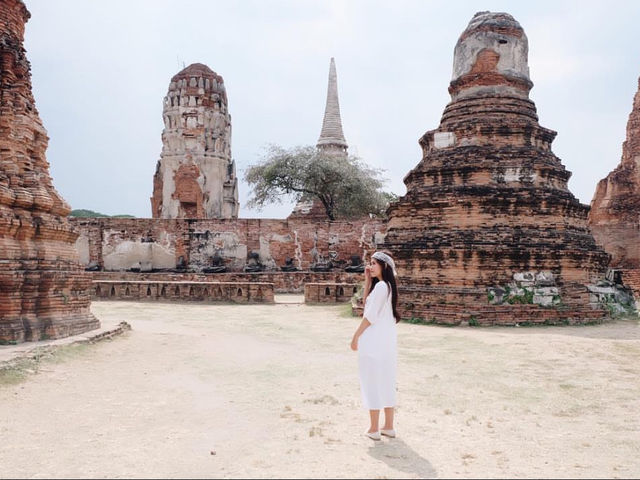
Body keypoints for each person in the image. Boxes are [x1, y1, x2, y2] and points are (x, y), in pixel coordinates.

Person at [350, 251, 400, 441]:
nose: (369, 266)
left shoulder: (381, 287)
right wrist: (367, 281)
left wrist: (355, 336)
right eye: (369, 263)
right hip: (386, 343)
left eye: (373, 263)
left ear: (384, 267)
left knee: (371, 381)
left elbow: (368, 317)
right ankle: (388, 426)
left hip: (373, 342)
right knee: (386, 380)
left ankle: (373, 428)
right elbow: (366, 305)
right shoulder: (386, 287)